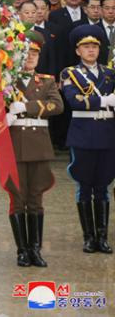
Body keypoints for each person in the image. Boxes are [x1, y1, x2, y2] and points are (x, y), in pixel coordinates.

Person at [5, 31, 63, 267]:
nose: (30, 57)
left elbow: (57, 106)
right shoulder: (6, 81)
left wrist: (26, 106)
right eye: (27, 52)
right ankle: (22, 250)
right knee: (18, 198)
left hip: (39, 145)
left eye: (35, 53)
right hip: (15, 145)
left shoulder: (47, 80)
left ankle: (36, 249)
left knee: (36, 198)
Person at [61, 24, 114, 254]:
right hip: (83, 133)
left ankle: (102, 237)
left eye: (94, 46)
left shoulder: (110, 73)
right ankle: (88, 237)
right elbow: (74, 100)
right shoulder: (69, 73)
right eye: (86, 47)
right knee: (84, 185)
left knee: (103, 186)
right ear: (78, 51)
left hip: (108, 134)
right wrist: (104, 101)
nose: (91, 50)